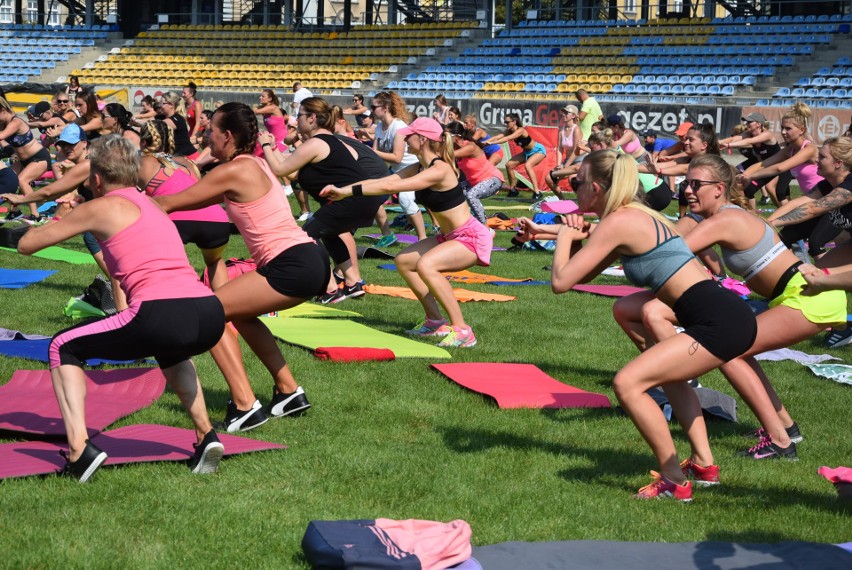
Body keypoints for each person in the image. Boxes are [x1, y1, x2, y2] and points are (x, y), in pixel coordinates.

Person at [516, 149, 758, 501]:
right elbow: (593, 249)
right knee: (657, 356)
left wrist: (564, 237)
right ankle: (704, 465)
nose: (571, 190)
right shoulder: (633, 215)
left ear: (596, 188)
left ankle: (674, 481)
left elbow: (561, 281)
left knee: (628, 383)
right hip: (720, 314)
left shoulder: (619, 222)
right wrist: (547, 231)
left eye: (576, 183)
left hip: (718, 322)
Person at [18, 136, 227, 481]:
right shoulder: (154, 205)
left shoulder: (99, 206)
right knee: (170, 351)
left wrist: (66, 214)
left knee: (62, 346)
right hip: (208, 311)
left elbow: (26, 244)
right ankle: (206, 436)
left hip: (161, 312)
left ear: (97, 179)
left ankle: (79, 452)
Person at [617, 154, 846, 463]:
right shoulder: (711, 217)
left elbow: (672, 251)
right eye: (686, 183)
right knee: (727, 343)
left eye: (697, 184)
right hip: (792, 295)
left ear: (719, 188)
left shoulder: (726, 219)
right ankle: (786, 428)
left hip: (807, 295)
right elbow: (670, 234)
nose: (687, 190)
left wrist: (615, 239)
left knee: (730, 348)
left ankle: (779, 442)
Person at [156, 102, 329, 425]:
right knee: (243, 315)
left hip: (293, 263)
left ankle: (245, 405)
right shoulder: (253, 164)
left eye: (211, 131)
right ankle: (289, 391)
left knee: (209, 312)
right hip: (308, 258)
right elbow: (194, 193)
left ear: (228, 135)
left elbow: (170, 202)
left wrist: (121, 204)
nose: (207, 137)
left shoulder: (235, 170)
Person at [322, 117, 493, 348]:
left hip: (470, 238)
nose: (404, 137)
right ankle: (435, 322)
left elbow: (392, 187)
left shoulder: (440, 169)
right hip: (451, 236)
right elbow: (388, 180)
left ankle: (463, 330)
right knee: (404, 261)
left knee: (426, 265)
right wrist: (346, 189)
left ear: (422, 139)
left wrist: (348, 192)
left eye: (409, 134)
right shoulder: (420, 166)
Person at [261, 97, 388, 304]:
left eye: (299, 116)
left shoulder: (317, 142)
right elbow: (292, 174)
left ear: (312, 118)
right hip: (359, 200)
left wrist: (265, 144)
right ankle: (352, 283)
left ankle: (329, 289)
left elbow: (279, 169)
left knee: (305, 237)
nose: (295, 120)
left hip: (351, 200)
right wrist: (274, 148)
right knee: (329, 233)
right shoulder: (321, 141)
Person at [766, 136, 852, 258]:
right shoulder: (828, 184)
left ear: (838, 163)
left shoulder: (849, 185)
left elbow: (812, 209)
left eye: (822, 157)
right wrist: (768, 222)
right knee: (786, 236)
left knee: (816, 246)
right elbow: (799, 202)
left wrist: (774, 222)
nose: (817, 160)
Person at [371, 91, 427, 241]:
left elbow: (397, 157)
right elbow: (375, 154)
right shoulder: (378, 128)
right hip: (397, 172)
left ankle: (422, 239)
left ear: (386, 108)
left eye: (374, 106)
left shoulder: (399, 126)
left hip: (414, 170)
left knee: (406, 200)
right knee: (372, 195)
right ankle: (387, 235)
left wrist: (372, 152)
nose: (371, 110)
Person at [738, 103, 823, 202]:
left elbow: (779, 168)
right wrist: (744, 175)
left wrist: (750, 177)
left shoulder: (809, 149)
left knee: (781, 197)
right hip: (812, 198)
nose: (783, 132)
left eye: (788, 128)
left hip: (823, 198)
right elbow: (763, 164)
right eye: (782, 127)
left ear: (802, 130)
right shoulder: (789, 150)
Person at [0, 96, 51, 221]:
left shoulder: (16, 122)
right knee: (10, 179)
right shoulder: (3, 124)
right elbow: (5, 144)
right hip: (22, 160)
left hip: (39, 157)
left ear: (2, 110)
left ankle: (36, 215)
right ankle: (15, 211)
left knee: (22, 181)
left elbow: (1, 136)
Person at [445, 121, 503, 225]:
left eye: (447, 135)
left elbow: (449, 155)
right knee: (452, 192)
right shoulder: (455, 147)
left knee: (471, 195)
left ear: (457, 137)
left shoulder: (470, 147)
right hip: (474, 182)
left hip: (493, 179)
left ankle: (484, 226)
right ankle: (462, 224)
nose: (444, 138)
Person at [720, 112, 783, 207]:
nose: (746, 124)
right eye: (746, 122)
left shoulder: (767, 134)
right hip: (764, 166)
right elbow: (734, 138)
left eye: (749, 122)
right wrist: (716, 142)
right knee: (746, 188)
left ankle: (783, 212)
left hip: (781, 166)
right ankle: (752, 215)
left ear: (758, 124)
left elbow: (749, 141)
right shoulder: (748, 133)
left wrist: (728, 146)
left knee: (776, 192)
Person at [486, 113, 547, 200]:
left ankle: (537, 192)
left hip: (538, 151)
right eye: (505, 122)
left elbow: (507, 139)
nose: (506, 124)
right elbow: (498, 136)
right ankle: (513, 190)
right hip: (526, 152)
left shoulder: (520, 130)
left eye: (507, 122)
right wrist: (485, 142)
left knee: (528, 165)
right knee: (509, 165)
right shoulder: (509, 131)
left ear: (514, 122)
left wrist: (491, 143)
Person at [546, 105, 587, 197]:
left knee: (572, 179)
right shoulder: (561, 130)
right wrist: (558, 164)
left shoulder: (576, 129)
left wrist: (565, 166)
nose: (563, 114)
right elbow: (560, 149)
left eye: (566, 113)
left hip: (580, 159)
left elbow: (576, 151)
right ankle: (562, 200)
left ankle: (582, 202)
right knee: (549, 178)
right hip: (569, 160)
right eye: (563, 112)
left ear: (573, 116)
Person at [157, 91, 197, 157]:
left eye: (162, 103)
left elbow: (153, 125)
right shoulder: (161, 116)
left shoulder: (177, 119)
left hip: (188, 157)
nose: (160, 106)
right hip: (176, 157)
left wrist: (135, 119)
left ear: (171, 105)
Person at [252, 89, 289, 157]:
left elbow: (255, 111)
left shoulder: (273, 108)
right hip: (273, 141)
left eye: (263, 96)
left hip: (281, 141)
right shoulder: (265, 109)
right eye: (260, 96)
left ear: (269, 99)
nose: (260, 97)